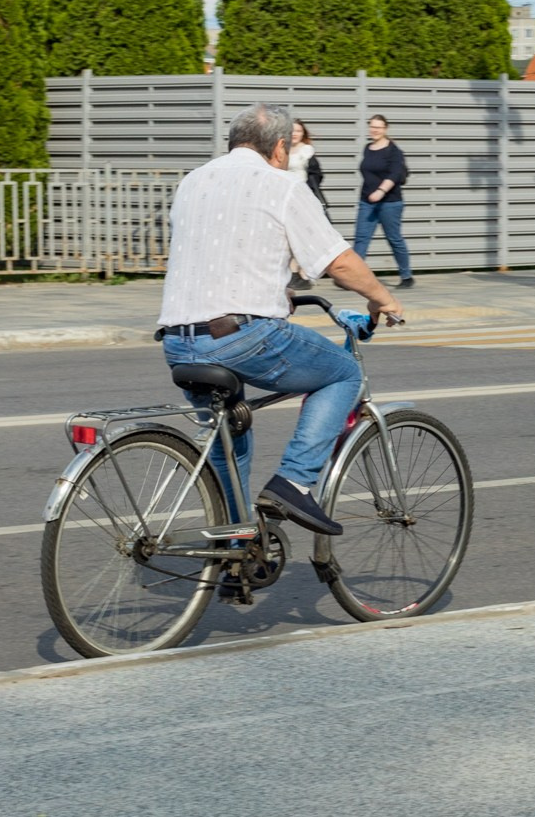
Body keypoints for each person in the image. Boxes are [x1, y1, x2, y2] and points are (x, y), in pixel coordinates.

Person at [156, 103, 402, 538]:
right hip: (240, 336)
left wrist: (274, 290)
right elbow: (338, 263)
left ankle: (237, 543)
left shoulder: (193, 182)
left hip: (177, 340)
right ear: (281, 148)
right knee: (343, 374)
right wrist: (383, 299)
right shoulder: (281, 184)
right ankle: (293, 482)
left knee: (228, 434)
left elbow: (217, 251)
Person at [354, 113, 414, 289]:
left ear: (385, 129)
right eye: (372, 126)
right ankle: (354, 277)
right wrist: (371, 194)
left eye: (378, 127)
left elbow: (395, 174)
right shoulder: (367, 148)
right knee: (361, 238)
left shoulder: (394, 151)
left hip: (390, 202)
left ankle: (406, 276)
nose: (374, 130)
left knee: (394, 238)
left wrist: (381, 191)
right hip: (367, 201)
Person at [289, 120, 327, 211]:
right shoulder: (282, 150)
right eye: (292, 131)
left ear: (303, 134)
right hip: (285, 192)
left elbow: (316, 174)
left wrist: (307, 190)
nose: (295, 134)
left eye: (298, 131)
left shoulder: (306, 150)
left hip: (302, 194)